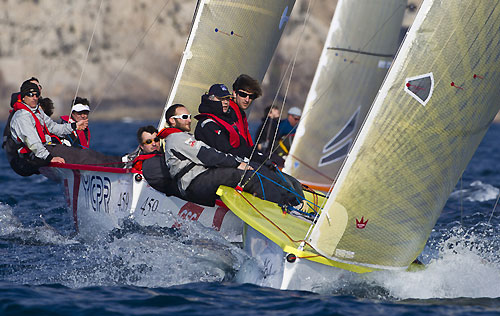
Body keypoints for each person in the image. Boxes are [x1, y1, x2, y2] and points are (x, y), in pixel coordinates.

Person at [161, 104, 303, 207]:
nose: (189, 120)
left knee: (255, 170)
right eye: (184, 117)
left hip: (203, 176)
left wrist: (241, 162)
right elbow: (207, 155)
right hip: (193, 183)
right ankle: (279, 208)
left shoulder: (182, 136)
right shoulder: (176, 138)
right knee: (248, 175)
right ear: (172, 120)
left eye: (190, 116)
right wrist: (236, 164)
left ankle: (294, 202)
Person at [5, 81, 122, 176]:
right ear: (23, 97)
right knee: (81, 157)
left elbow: (53, 127)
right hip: (32, 156)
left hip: (44, 149)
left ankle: (121, 161)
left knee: (84, 153)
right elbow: (33, 144)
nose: (34, 98)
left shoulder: (37, 111)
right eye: (30, 95)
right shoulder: (22, 117)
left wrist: (74, 126)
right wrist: (50, 158)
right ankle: (119, 165)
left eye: (36, 95)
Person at [130, 125, 181, 196]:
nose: (154, 144)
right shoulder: (149, 162)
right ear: (141, 146)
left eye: (156, 140)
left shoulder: (167, 155)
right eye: (148, 142)